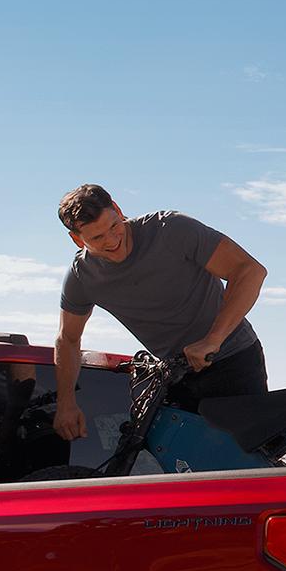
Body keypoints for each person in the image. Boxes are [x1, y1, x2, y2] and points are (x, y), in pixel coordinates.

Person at [52, 184, 269, 442]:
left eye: (114, 226)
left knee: (248, 454)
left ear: (118, 209)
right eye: (97, 238)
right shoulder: (82, 277)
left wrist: (213, 339)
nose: (111, 240)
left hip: (234, 360)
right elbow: (68, 339)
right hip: (176, 375)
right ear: (77, 240)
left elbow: (249, 271)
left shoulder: (171, 229)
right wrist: (66, 403)